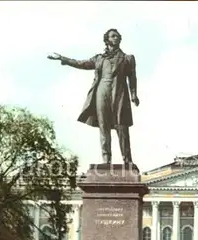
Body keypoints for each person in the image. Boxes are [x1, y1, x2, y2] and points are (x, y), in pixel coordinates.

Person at [48, 28, 139, 164]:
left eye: (118, 36)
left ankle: (127, 161)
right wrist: (62, 58)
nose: (117, 38)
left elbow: (132, 77)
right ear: (107, 40)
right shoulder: (99, 58)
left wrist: (133, 94)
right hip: (102, 92)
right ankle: (106, 161)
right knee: (104, 126)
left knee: (122, 126)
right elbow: (81, 63)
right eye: (113, 36)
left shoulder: (128, 58)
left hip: (119, 92)